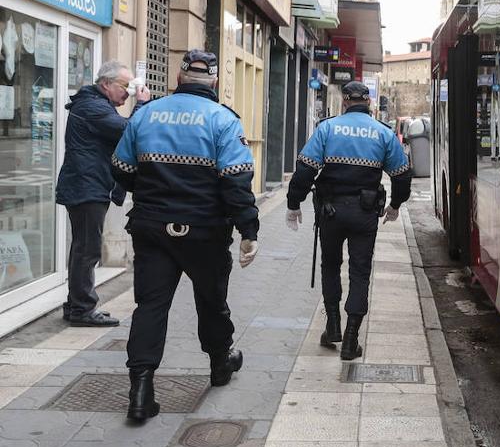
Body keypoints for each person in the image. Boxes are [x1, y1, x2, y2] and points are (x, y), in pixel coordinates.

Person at [111, 50, 259, 422]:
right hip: (205, 233)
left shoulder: (145, 114)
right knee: (211, 302)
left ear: (178, 77)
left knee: (150, 306)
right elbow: (237, 181)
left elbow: (122, 169)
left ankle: (141, 391)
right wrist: (248, 229)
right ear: (214, 82)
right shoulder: (223, 120)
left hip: (152, 228)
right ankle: (219, 365)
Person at [286, 81, 412, 361]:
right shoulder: (383, 133)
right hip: (365, 214)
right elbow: (402, 175)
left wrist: (294, 204)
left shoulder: (327, 129)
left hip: (330, 212)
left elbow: (305, 170)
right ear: (368, 102)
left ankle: (332, 327)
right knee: (360, 271)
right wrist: (394, 205)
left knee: (330, 265)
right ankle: (351, 340)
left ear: (344, 101)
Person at [55, 61, 151, 327]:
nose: (129, 93)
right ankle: (82, 309)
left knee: (83, 248)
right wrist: (142, 104)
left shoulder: (95, 105)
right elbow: (130, 131)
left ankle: (76, 303)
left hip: (88, 185)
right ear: (106, 84)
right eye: (126, 87)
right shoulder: (92, 107)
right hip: (86, 187)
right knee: (87, 249)